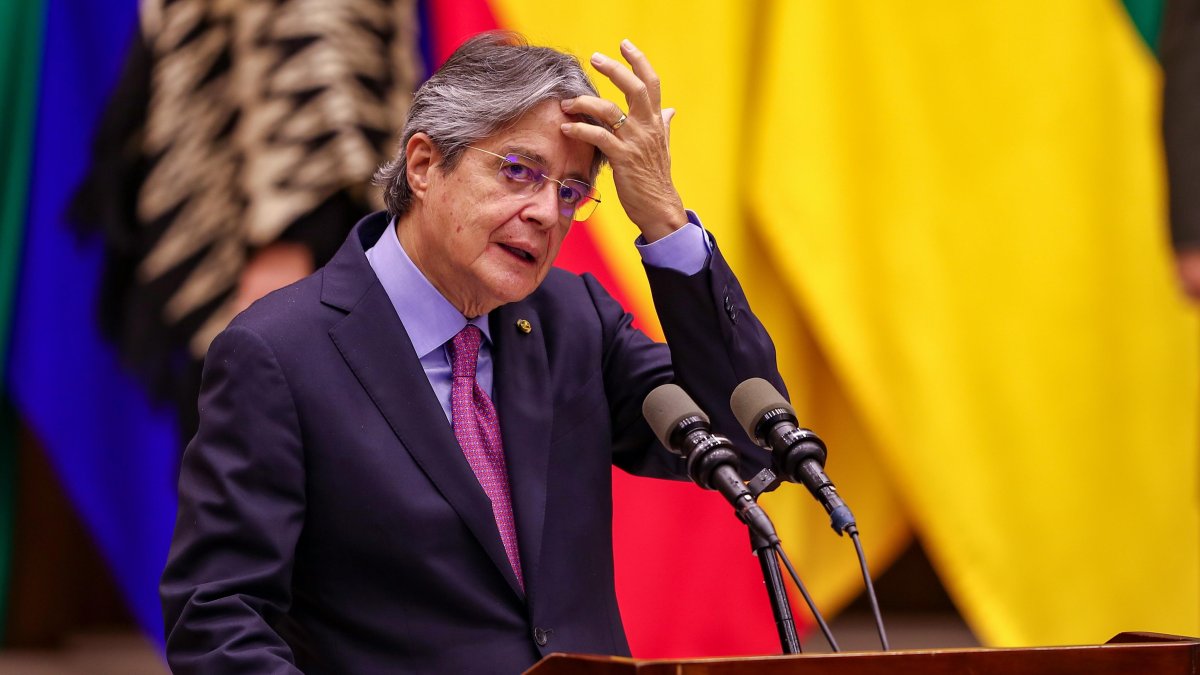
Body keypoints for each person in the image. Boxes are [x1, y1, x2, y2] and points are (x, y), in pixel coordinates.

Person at [161, 32, 785, 673]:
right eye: (519, 170)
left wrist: (664, 219)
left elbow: (749, 437)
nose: (546, 212)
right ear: (425, 166)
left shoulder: (575, 321)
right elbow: (218, 616)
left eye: (571, 190)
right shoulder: (278, 352)